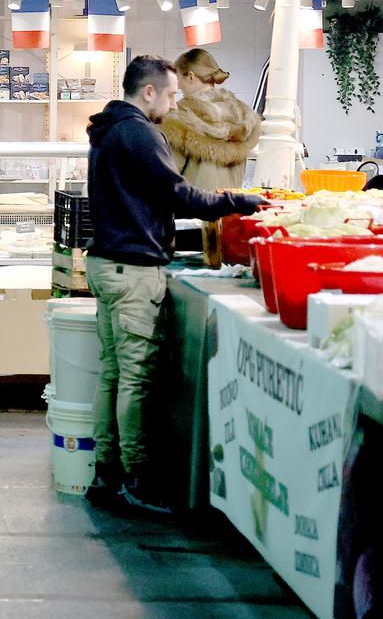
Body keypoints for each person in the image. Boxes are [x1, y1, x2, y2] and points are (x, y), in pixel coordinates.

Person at [84, 56, 265, 515]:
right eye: (169, 94)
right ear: (149, 92)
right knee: (136, 379)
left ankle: (106, 473)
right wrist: (238, 202)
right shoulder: (140, 133)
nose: (173, 101)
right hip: (133, 271)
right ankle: (136, 481)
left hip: (107, 263)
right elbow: (179, 194)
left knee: (113, 373)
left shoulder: (107, 128)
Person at [160, 48, 262, 192]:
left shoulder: (181, 117)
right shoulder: (242, 116)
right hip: (231, 208)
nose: (178, 86)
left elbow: (165, 176)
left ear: (190, 76)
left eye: (178, 80)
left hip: (194, 210)